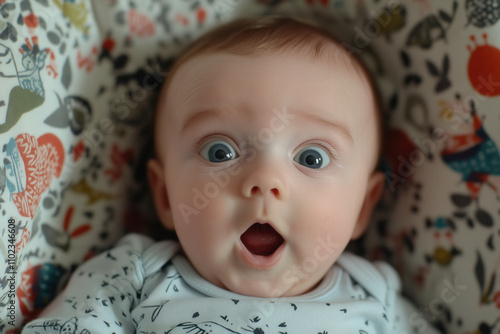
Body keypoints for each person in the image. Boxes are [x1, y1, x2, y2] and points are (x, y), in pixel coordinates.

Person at [23, 17, 438, 334]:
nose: (264, 181)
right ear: (165, 196)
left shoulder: (377, 299)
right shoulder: (134, 278)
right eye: (220, 151)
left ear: (363, 208)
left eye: (311, 158)